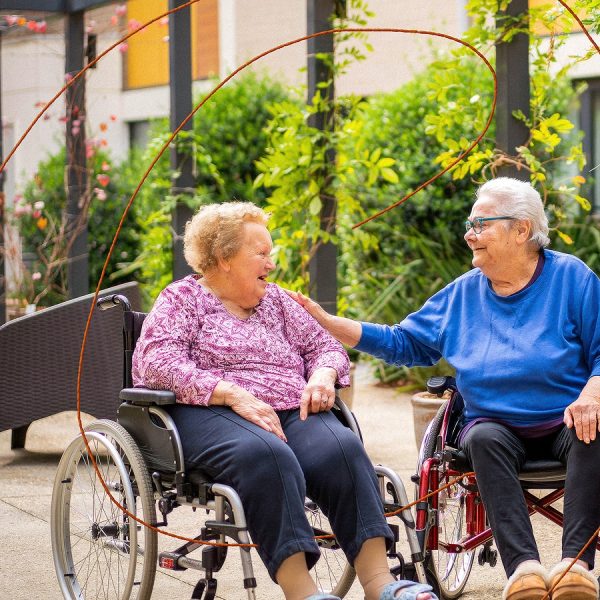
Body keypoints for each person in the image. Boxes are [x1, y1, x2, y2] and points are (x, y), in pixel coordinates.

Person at [288, 177, 600, 600]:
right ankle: (523, 568)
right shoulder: (462, 295)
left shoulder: (572, 279)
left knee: (594, 432)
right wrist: (329, 323)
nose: (469, 234)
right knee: (485, 437)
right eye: (470, 224)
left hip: (567, 417)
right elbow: (405, 342)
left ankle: (575, 568)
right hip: (494, 424)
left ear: (522, 230)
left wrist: (593, 390)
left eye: (481, 224)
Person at [132, 201, 437, 600]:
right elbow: (157, 362)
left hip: (291, 407)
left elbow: (326, 347)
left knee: (342, 450)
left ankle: (382, 584)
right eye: (261, 253)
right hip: (211, 410)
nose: (271, 264)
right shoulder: (181, 301)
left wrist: (323, 376)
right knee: (267, 456)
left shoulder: (277, 302)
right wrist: (233, 393)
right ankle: (302, 591)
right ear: (224, 258)